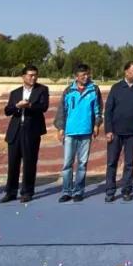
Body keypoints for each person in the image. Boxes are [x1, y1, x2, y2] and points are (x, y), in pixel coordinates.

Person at [1, 64, 49, 203]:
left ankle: (27, 191)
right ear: (23, 77)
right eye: (30, 75)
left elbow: (44, 107)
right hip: (16, 130)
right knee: (13, 162)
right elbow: (7, 110)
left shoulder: (42, 90)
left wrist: (29, 106)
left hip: (32, 130)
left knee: (29, 162)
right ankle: (10, 191)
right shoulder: (15, 93)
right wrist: (17, 106)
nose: (33, 77)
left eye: (35, 75)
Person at [54, 64, 102, 203]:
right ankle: (66, 191)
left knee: (82, 163)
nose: (86, 77)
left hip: (86, 132)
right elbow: (62, 110)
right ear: (76, 77)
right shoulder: (69, 91)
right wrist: (60, 128)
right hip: (70, 132)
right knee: (67, 164)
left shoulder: (94, 89)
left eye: (87, 75)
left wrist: (97, 124)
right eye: (83, 75)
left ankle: (79, 191)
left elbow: (98, 109)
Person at [103, 60, 133, 202]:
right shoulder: (116, 88)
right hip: (116, 132)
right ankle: (110, 191)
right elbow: (108, 111)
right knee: (112, 162)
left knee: (129, 163)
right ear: (126, 71)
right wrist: (108, 130)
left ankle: (126, 190)